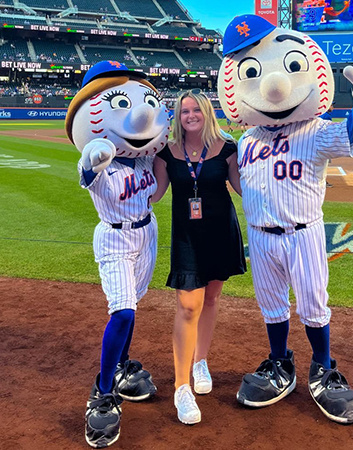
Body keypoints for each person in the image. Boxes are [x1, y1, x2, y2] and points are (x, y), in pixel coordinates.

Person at [218, 14, 353, 424]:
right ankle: (280, 362)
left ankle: (324, 366)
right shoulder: (247, 139)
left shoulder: (316, 130)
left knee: (314, 306)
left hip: (303, 233)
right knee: (271, 306)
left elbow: (352, 134)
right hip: (262, 237)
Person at [65, 60, 170, 448]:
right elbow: (88, 166)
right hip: (114, 238)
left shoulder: (144, 157)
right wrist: (93, 154)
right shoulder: (101, 159)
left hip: (147, 232)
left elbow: (160, 176)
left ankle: (124, 368)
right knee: (123, 310)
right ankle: (103, 390)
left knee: (134, 307)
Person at [151, 89, 247, 425]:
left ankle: (200, 361)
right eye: (184, 111)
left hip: (221, 230)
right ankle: (182, 387)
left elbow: (241, 188)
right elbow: (156, 194)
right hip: (187, 237)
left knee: (211, 299)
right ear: (177, 116)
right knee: (187, 305)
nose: (190, 115)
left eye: (196, 110)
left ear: (207, 112)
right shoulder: (165, 152)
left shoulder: (228, 148)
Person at [320, 102, 335, 188]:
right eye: (332, 105)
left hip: (317, 141)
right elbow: (329, 131)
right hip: (324, 143)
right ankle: (323, 181)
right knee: (324, 164)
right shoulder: (327, 116)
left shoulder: (320, 115)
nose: (333, 107)